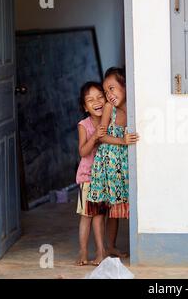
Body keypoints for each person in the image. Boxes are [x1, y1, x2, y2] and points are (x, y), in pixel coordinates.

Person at [86, 67, 139, 260]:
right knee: (102, 207)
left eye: (112, 89)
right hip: (106, 164)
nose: (108, 95)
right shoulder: (110, 108)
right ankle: (101, 251)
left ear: (125, 86)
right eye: (106, 91)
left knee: (116, 209)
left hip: (122, 166)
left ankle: (111, 247)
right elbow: (102, 136)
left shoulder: (133, 108)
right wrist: (122, 141)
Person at [75, 81, 107, 266]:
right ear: (85, 107)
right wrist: (95, 136)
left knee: (99, 216)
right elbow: (82, 152)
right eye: (90, 100)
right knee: (86, 216)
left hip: (102, 177)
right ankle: (83, 251)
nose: (97, 102)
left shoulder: (109, 120)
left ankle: (101, 251)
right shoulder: (84, 125)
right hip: (87, 177)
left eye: (100, 97)